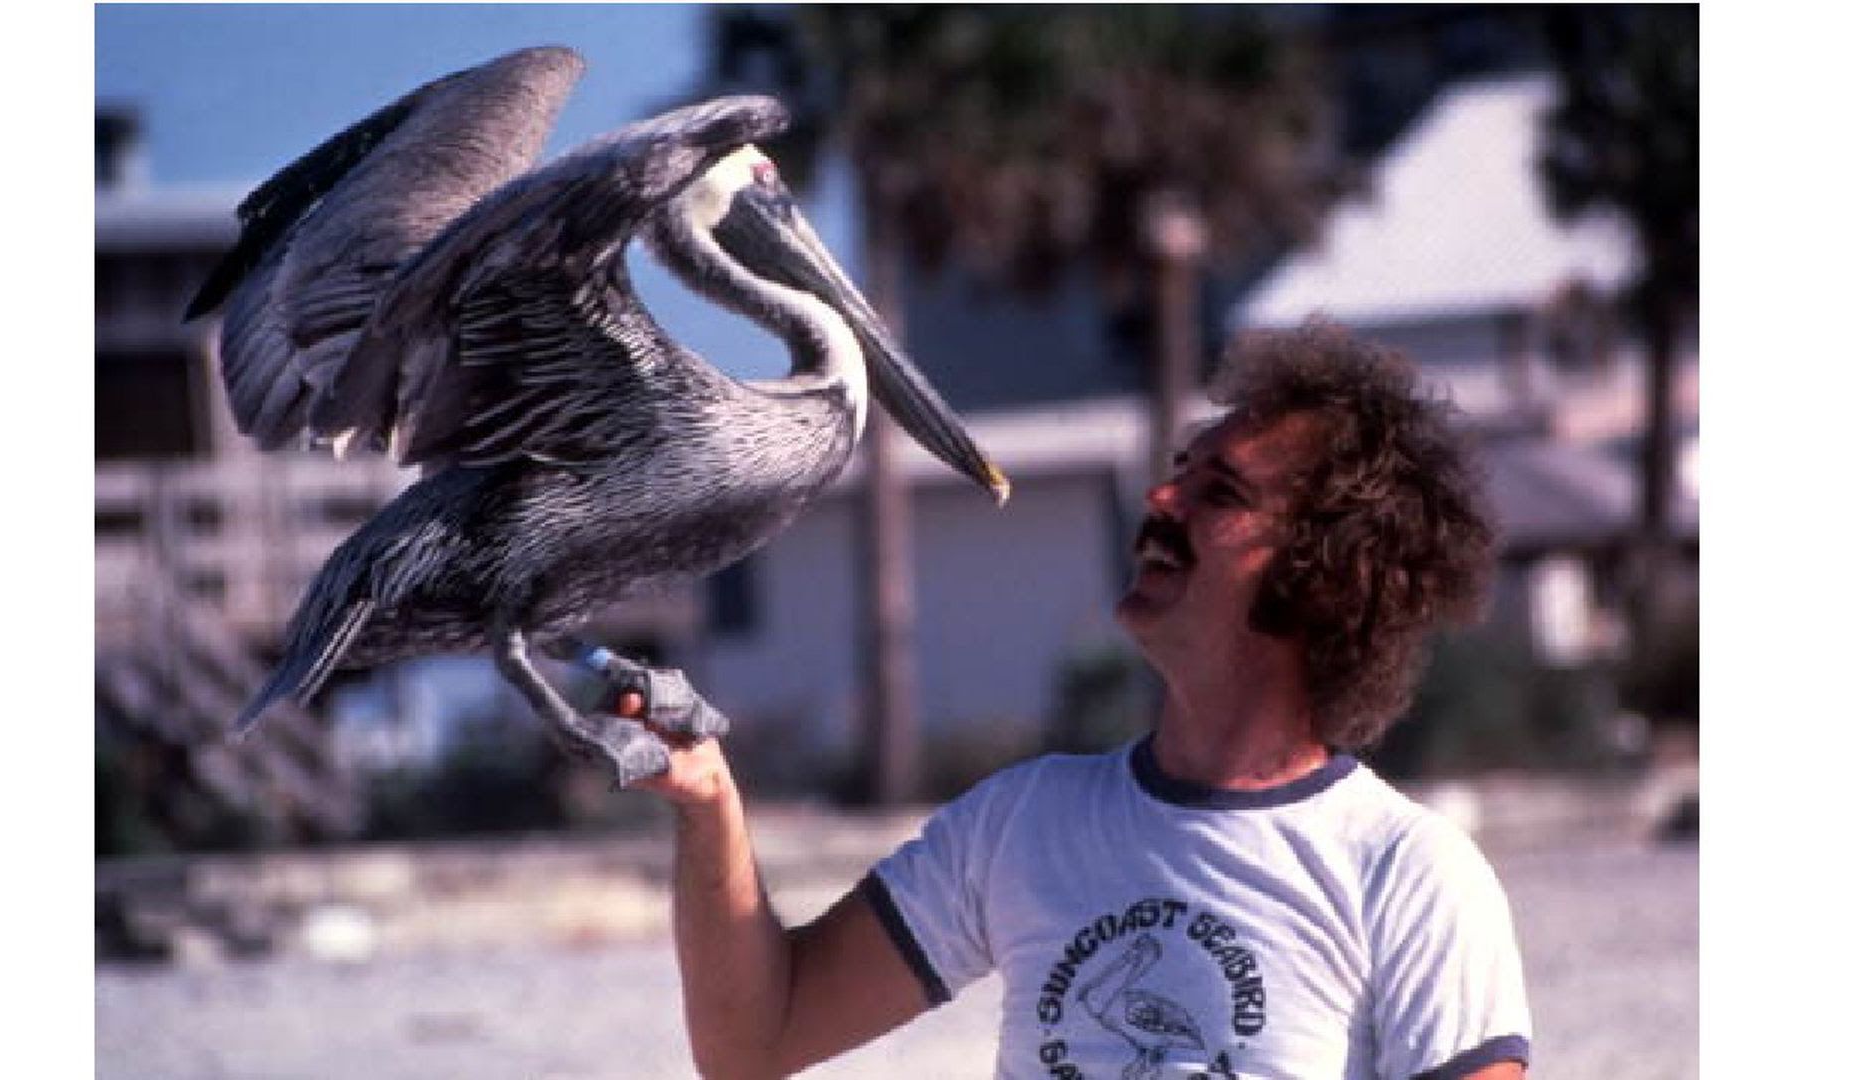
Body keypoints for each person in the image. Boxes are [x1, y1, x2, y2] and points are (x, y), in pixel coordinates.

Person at [632, 320, 1532, 1079]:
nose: (1162, 497)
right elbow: (756, 1039)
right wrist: (709, 802)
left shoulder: (1409, 876)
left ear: (1328, 578)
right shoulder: (1023, 822)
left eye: (1219, 492)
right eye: (1182, 466)